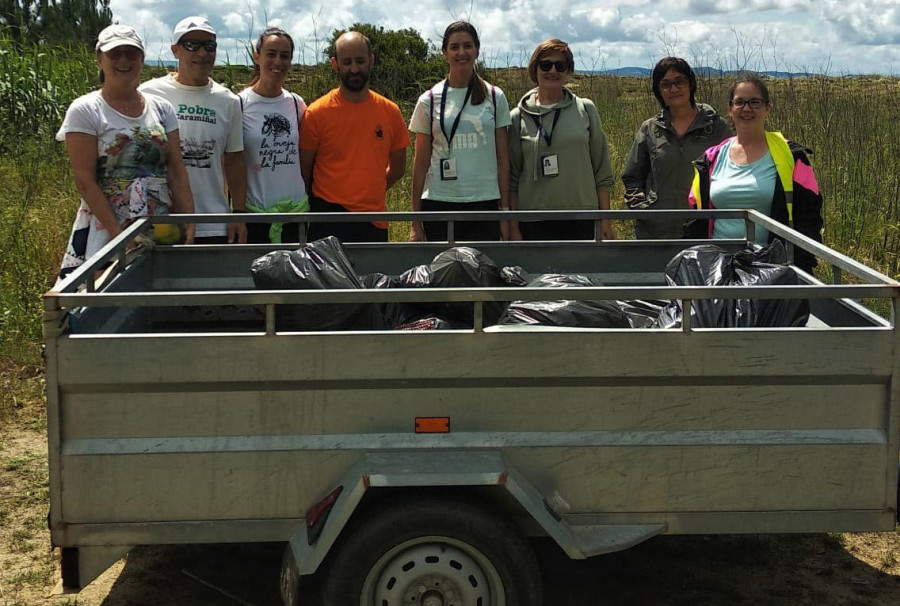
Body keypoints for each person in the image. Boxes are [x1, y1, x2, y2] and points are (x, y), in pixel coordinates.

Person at [56, 24, 194, 282]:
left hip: (160, 225)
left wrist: (187, 219)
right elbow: (85, 181)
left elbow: (177, 169)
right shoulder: (85, 110)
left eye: (131, 53)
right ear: (100, 59)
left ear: (141, 59)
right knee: (104, 301)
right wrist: (121, 236)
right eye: (114, 53)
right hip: (107, 229)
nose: (123, 60)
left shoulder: (162, 109)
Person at [688, 73, 823, 271]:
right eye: (740, 102)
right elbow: (695, 214)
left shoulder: (792, 156)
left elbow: (810, 215)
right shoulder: (710, 159)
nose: (747, 109)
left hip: (772, 269)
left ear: (767, 108)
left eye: (754, 102)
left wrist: (797, 267)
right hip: (719, 267)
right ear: (730, 109)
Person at [140, 16, 247, 245]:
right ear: (175, 50)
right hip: (162, 223)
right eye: (192, 45)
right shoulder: (148, 94)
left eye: (209, 46)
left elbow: (235, 160)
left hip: (213, 223)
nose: (202, 53)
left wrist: (238, 213)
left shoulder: (228, 101)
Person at [300, 31, 409, 243]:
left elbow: (398, 168)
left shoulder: (390, 111)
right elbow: (304, 171)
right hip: (326, 221)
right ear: (335, 64)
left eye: (360, 61)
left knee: (372, 277)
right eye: (347, 62)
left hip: (373, 221)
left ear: (371, 61)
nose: (354, 69)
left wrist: (370, 191)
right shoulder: (317, 113)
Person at [408, 20, 511, 242]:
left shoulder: (495, 97)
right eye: (454, 47)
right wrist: (415, 222)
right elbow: (420, 163)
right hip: (439, 202)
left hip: (485, 203)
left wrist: (505, 214)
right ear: (445, 52)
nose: (461, 52)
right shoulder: (429, 100)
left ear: (477, 49)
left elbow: (503, 160)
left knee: (483, 275)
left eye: (467, 46)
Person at [509, 39, 615, 241]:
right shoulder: (517, 117)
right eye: (546, 65)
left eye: (561, 65)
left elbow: (602, 171)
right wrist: (514, 226)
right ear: (535, 69)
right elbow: (512, 179)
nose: (553, 71)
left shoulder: (585, 109)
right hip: (533, 221)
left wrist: (605, 220)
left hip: (583, 218)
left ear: (568, 71)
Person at [622, 57, 731, 239]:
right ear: (659, 91)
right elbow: (632, 177)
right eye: (665, 84)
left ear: (691, 84)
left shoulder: (717, 128)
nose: (673, 89)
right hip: (654, 233)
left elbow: (731, 175)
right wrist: (644, 211)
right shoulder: (650, 129)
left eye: (679, 82)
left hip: (703, 231)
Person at [238, 27, 308, 244]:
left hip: (296, 215)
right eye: (271, 54)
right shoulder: (239, 104)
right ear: (257, 56)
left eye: (284, 56)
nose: (278, 61)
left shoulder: (296, 103)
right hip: (256, 216)